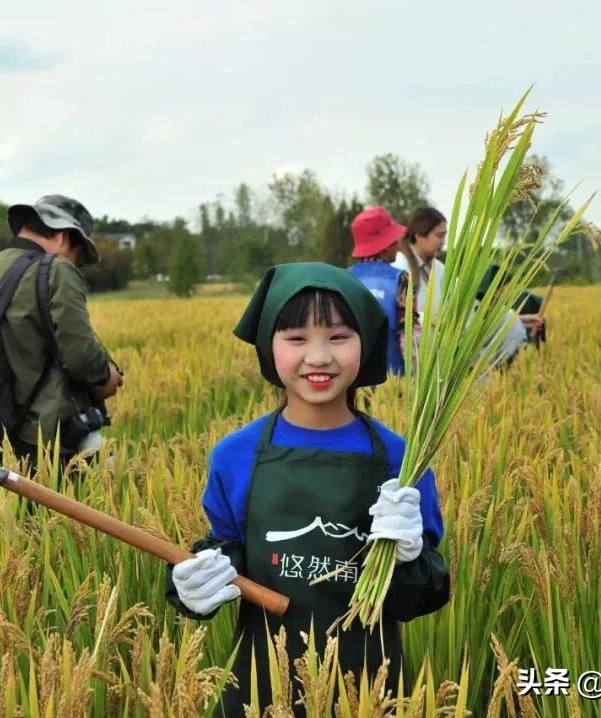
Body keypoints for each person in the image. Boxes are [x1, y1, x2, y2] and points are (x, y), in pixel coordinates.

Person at [165, 263, 450, 716]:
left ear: (366, 344)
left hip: (370, 691)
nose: (318, 357)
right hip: (262, 689)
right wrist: (193, 586)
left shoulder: (403, 460)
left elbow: (424, 596)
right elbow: (229, 552)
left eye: (338, 337)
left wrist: (410, 560)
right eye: (296, 339)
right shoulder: (234, 456)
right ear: (268, 347)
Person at [0, 194, 123, 471]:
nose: (75, 264)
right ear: (64, 238)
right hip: (41, 441)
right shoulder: (57, 269)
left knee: (4, 514)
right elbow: (79, 354)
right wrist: (106, 376)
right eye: (78, 257)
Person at [393, 206, 543, 368]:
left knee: (507, 319)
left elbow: (466, 305)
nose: (443, 242)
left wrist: (518, 320)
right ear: (419, 236)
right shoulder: (399, 268)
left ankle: (496, 373)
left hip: (447, 336)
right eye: (439, 236)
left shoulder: (439, 268)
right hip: (420, 343)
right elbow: (403, 317)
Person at [347, 205, 417, 376]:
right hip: (393, 381)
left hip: (352, 379)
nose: (398, 247)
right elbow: (410, 336)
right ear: (384, 246)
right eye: (395, 242)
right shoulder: (400, 279)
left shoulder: (344, 279)